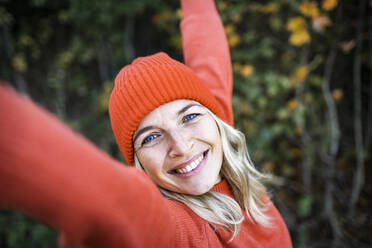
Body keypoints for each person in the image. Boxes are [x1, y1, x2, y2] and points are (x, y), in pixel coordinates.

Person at [0, 0, 292, 247]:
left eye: (189, 117)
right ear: (138, 161)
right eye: (151, 138)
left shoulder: (214, 140)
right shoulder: (177, 229)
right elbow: (112, 203)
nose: (182, 145)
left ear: (214, 119)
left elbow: (207, 50)